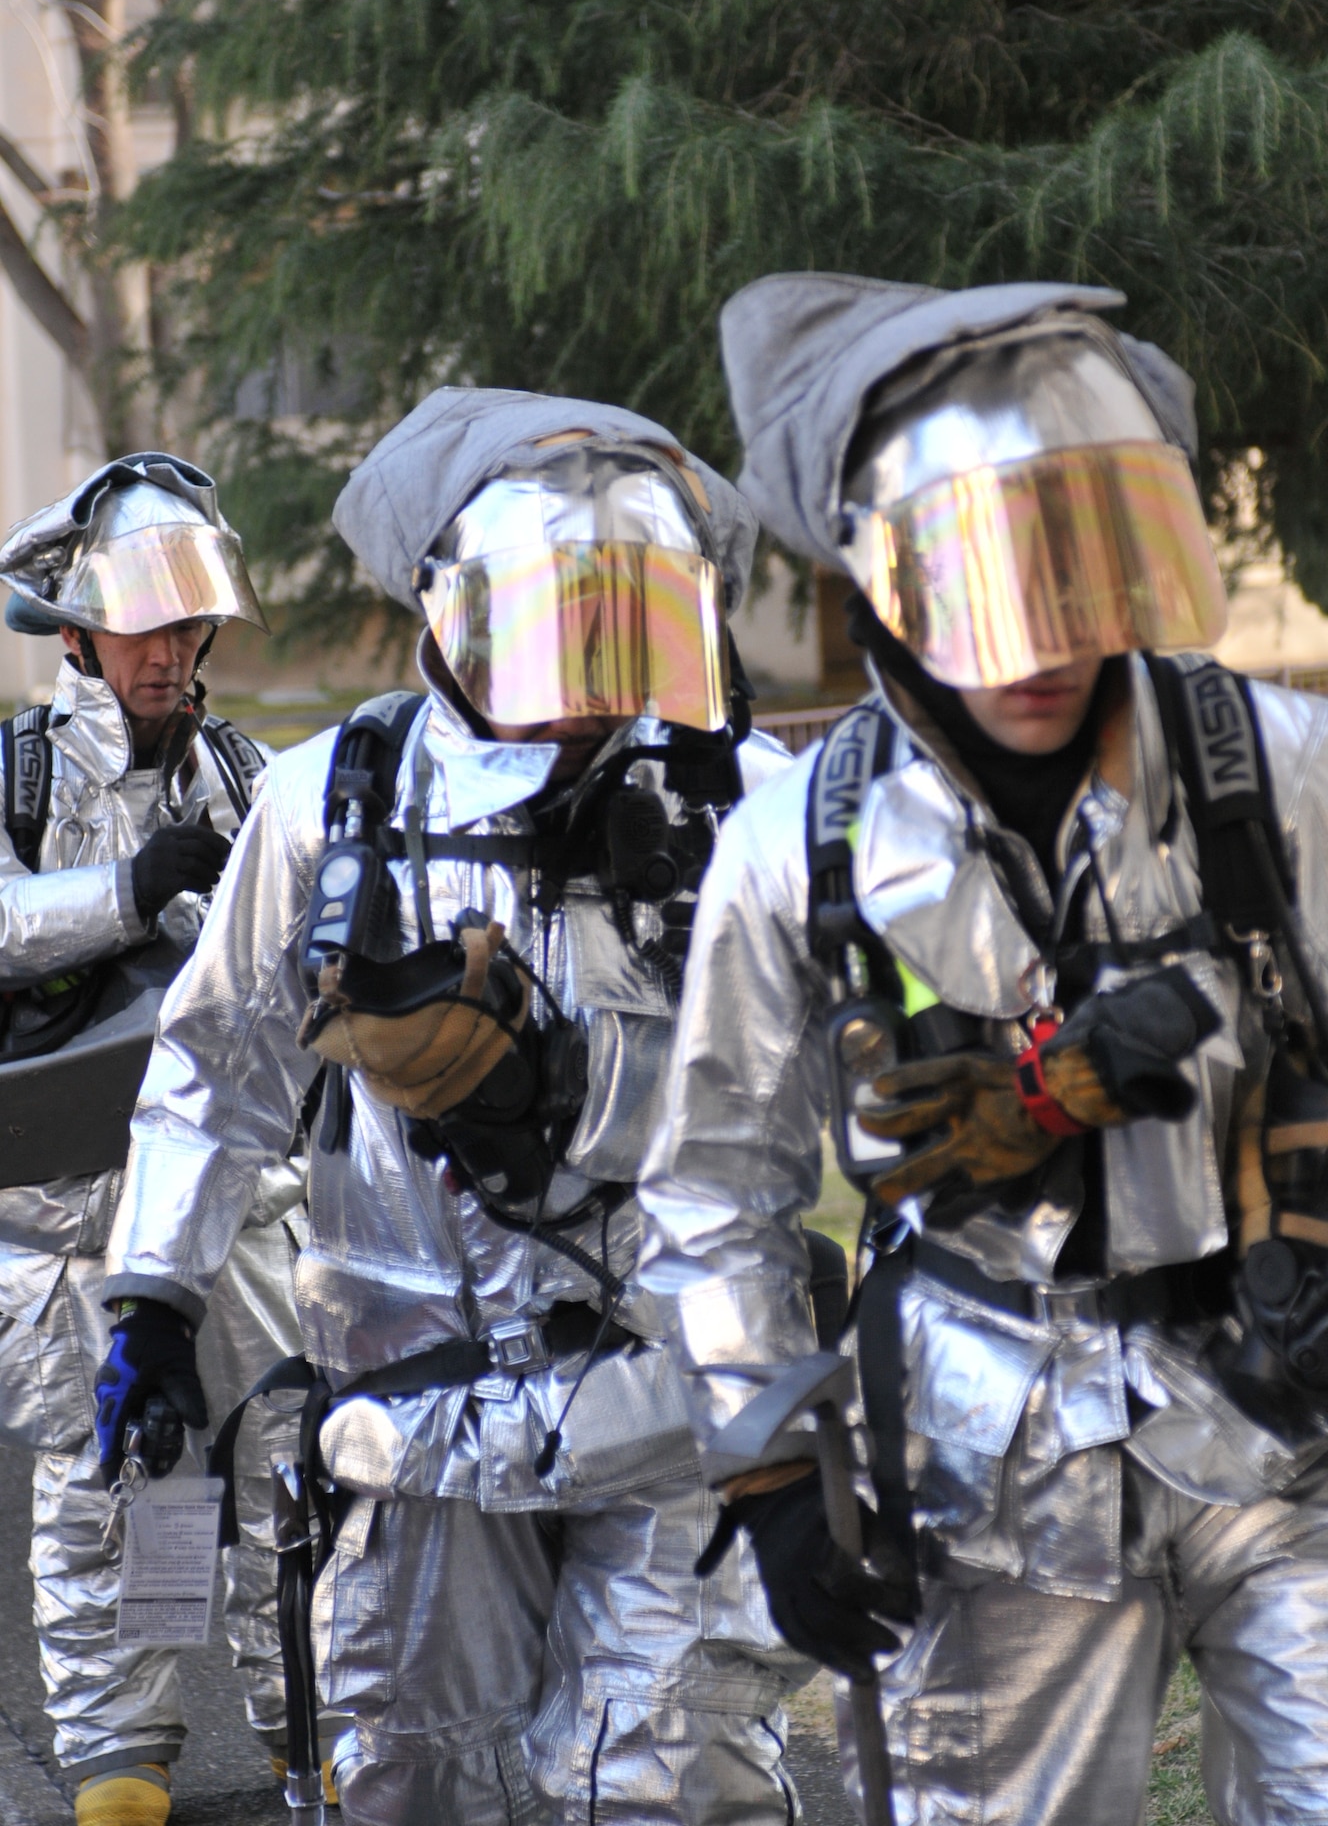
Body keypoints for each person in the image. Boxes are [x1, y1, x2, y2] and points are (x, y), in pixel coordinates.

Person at [638, 275, 1328, 1824]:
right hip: (991, 1467)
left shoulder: (1277, 772)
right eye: (978, 579)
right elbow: (714, 1190)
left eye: (1075, 569)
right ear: (880, 585)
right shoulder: (791, 846)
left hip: (1293, 1418)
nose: (1040, 638)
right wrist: (763, 1483)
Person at [100, 391, 810, 1824]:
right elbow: (215, 1064)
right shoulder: (334, 802)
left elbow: (833, 1078)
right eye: (560, 625)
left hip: (675, 1389)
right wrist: (156, 1302)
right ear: (461, 619)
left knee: (669, 1778)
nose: (594, 679)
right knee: (418, 1773)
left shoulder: (747, 805)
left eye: (628, 625)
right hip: (414, 1402)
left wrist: (576, 1092)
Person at [0, 453, 312, 1826]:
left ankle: (323, 1739)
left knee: (293, 1473)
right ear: (77, 631)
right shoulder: (12, 771)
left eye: (192, 625)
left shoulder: (244, 771)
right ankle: (119, 1771)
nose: (175, 653)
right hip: (70, 1221)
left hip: (239, 1212)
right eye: (146, 623)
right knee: (98, 1493)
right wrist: (126, 890)